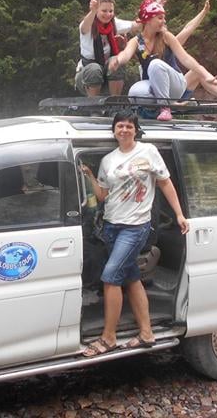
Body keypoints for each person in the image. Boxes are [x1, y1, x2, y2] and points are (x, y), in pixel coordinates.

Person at [78, 111, 189, 356]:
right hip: (111, 226)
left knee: (110, 277)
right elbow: (103, 196)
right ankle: (147, 333)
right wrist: (89, 176)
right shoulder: (108, 160)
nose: (125, 130)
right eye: (120, 126)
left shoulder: (148, 152)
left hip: (135, 227)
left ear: (136, 130)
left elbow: (165, 183)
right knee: (131, 278)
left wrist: (179, 214)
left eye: (129, 126)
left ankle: (108, 338)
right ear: (114, 130)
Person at [108, 0, 217, 121]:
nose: (164, 22)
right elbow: (126, 54)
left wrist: (206, 74)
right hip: (154, 89)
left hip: (175, 85)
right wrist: (117, 60)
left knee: (157, 65)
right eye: (160, 18)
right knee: (134, 92)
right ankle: (168, 105)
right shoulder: (137, 41)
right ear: (148, 20)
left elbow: (186, 53)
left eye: (164, 19)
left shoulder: (167, 38)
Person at [75, 0, 136, 97]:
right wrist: (93, 11)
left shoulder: (113, 23)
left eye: (110, 11)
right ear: (97, 10)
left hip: (107, 75)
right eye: (104, 11)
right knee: (94, 69)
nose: (108, 14)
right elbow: (84, 28)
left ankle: (115, 104)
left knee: (116, 61)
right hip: (86, 76)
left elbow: (135, 25)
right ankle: (94, 107)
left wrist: (154, 8)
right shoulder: (88, 24)